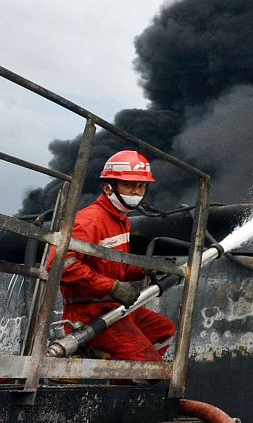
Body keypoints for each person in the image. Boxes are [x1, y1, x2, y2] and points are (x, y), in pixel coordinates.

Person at [57, 150, 175, 362]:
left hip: (112, 307)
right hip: (87, 312)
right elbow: (62, 266)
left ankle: (117, 377)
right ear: (109, 186)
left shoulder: (121, 219)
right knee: (148, 364)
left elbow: (113, 265)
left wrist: (146, 268)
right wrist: (113, 287)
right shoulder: (90, 221)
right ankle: (126, 379)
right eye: (129, 185)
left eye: (141, 186)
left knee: (163, 330)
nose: (136, 191)